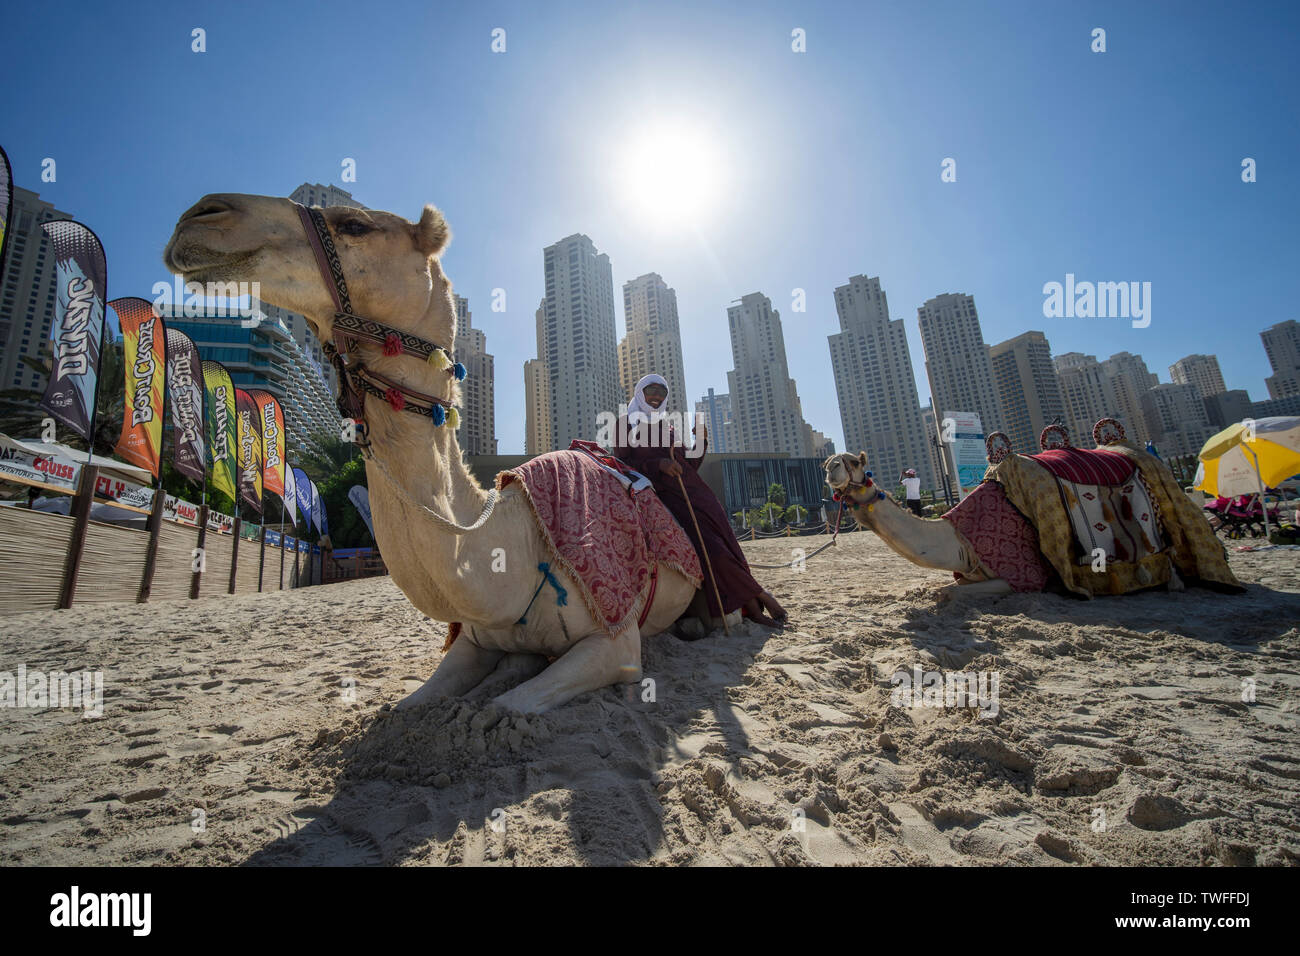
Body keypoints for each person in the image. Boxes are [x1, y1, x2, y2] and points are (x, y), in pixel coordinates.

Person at [614, 373, 788, 628]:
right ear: (640, 392)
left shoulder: (668, 428)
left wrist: (702, 440)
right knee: (711, 551)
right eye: (651, 391)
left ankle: (752, 607)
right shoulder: (624, 425)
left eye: (661, 394)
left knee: (727, 548)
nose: (656, 398)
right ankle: (761, 596)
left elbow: (690, 465)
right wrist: (658, 464)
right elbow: (622, 465)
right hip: (664, 500)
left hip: (698, 496)